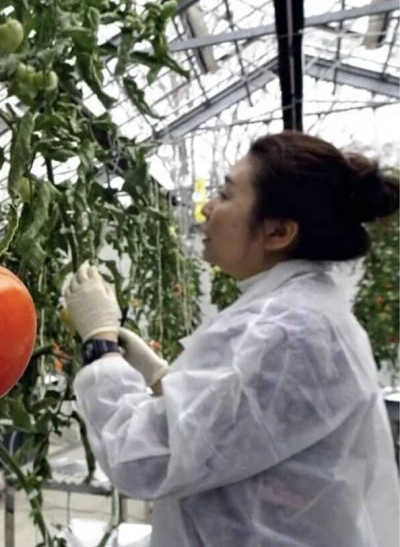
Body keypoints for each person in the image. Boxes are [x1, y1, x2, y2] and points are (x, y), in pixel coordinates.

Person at [63, 131, 400, 547]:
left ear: (278, 232)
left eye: (224, 195)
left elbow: (145, 461)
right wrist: (158, 376)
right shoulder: (304, 314)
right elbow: (245, 426)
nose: (206, 208)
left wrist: (100, 348)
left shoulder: (284, 330)